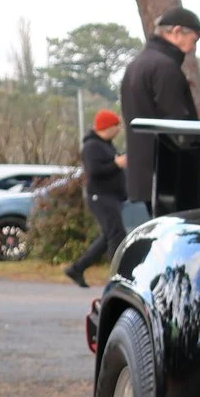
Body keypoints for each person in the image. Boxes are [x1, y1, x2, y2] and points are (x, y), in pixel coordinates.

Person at [119, 7, 200, 217]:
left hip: (147, 173)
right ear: (176, 31)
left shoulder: (136, 66)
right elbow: (178, 124)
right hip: (171, 176)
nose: (191, 48)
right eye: (193, 40)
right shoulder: (165, 67)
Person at [64, 110, 129, 287]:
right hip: (100, 196)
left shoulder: (107, 145)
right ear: (108, 127)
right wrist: (117, 163)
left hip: (111, 196)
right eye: (117, 125)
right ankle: (118, 276)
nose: (119, 129)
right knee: (117, 235)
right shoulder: (92, 146)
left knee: (108, 236)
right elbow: (94, 171)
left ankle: (77, 268)